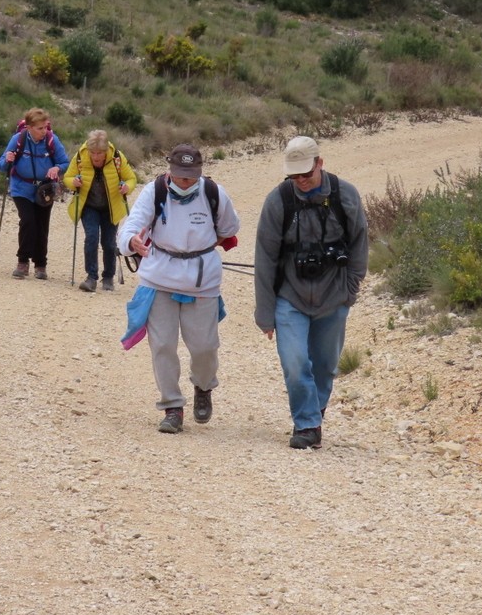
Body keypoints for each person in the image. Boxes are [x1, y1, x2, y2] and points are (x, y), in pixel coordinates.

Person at [253, 136, 368, 449]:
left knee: (325, 364)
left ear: (320, 163)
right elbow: (264, 258)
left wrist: (350, 291)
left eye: (307, 173)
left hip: (334, 297)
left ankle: (314, 411)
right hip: (290, 296)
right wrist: (264, 312)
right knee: (295, 362)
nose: (301, 181)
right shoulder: (278, 201)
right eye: (295, 176)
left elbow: (360, 245)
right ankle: (307, 424)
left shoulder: (346, 196)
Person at [117, 144, 241, 434]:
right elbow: (131, 225)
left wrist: (203, 246)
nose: (185, 181)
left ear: (199, 172)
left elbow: (230, 227)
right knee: (162, 345)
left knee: (204, 347)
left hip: (202, 279)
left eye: (191, 176)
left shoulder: (214, 193)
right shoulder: (154, 192)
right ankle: (172, 407)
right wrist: (132, 241)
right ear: (169, 170)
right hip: (159, 276)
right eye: (180, 175)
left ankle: (203, 386)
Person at [0, 108, 70, 280]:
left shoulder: (52, 140)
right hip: (21, 187)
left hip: (44, 189)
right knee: (28, 221)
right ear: (29, 127)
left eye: (45, 127)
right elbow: (1, 165)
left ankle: (40, 265)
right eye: (40, 128)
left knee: (42, 225)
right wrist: (7, 160)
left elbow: (65, 162)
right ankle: (22, 262)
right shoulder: (19, 139)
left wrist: (57, 168)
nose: (44, 131)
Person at [64, 130, 138, 292]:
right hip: (89, 206)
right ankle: (91, 278)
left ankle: (108, 277)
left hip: (110, 208)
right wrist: (73, 182)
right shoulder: (80, 157)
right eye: (93, 152)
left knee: (109, 243)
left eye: (99, 153)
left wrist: (127, 187)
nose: (95, 157)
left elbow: (131, 178)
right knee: (91, 238)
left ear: (106, 151)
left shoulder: (117, 158)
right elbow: (68, 177)